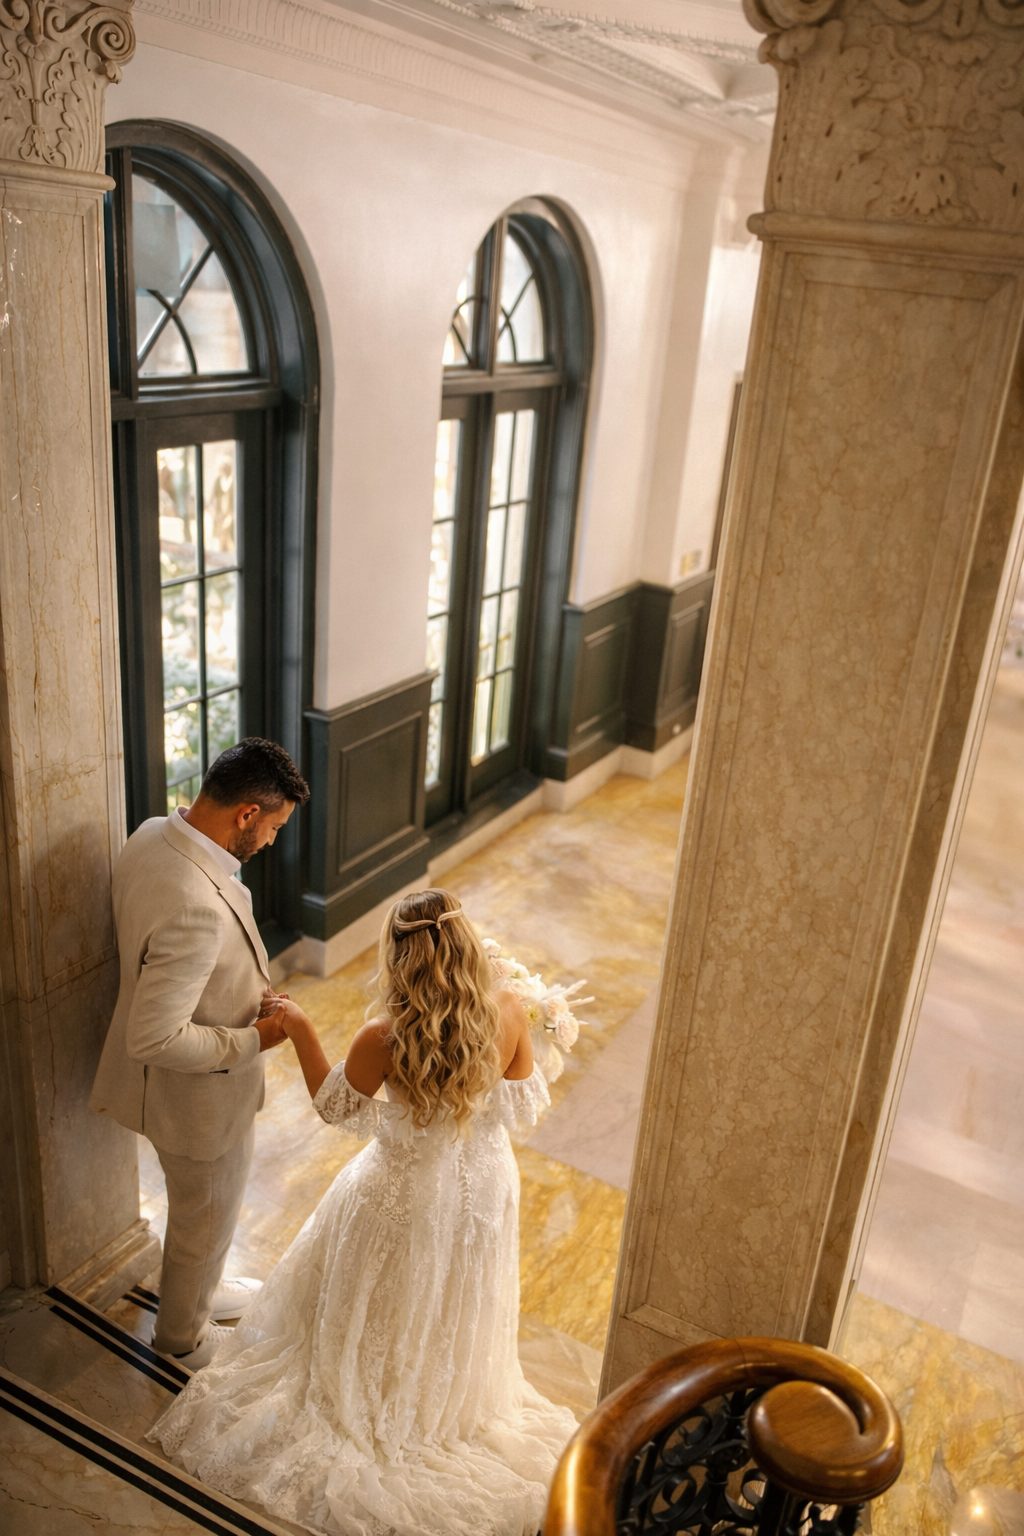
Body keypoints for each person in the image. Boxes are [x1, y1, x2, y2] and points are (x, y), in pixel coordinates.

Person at [147, 889, 579, 1536]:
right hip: (486, 1192)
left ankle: (380, 1397)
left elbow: (335, 1107)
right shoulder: (510, 1009)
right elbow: (518, 1097)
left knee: (393, 1298)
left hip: (407, 1194)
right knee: (456, 1294)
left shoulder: (386, 1036)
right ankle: (443, 1403)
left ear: (399, 956)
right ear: (465, 946)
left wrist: (299, 1026)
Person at [90, 737, 310, 1368]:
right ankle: (182, 1337)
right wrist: (255, 1038)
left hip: (169, 1090)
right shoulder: (196, 905)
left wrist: (245, 990)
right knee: (204, 1219)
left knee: (201, 1216)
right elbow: (154, 1036)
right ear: (247, 813)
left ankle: (203, 1292)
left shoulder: (152, 833)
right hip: (197, 1102)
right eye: (273, 827)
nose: (272, 841)